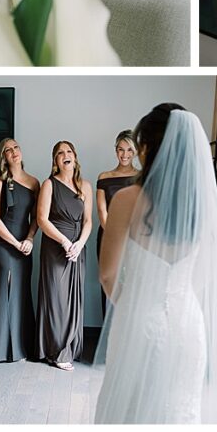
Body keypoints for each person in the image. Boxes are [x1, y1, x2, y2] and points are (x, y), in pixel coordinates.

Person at [95, 104, 217, 423]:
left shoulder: (127, 200)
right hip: (189, 324)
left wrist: (135, 304)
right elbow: (206, 272)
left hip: (140, 323)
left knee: (132, 411)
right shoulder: (201, 205)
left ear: (145, 148)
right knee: (179, 411)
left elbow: (107, 274)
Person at [36, 141, 92, 371]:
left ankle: (70, 347)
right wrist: (65, 242)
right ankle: (56, 351)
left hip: (78, 249)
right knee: (57, 299)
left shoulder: (85, 186)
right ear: (55, 161)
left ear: (75, 157)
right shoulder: (49, 184)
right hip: (56, 248)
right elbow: (41, 219)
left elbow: (88, 221)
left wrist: (79, 244)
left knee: (74, 300)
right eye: (60, 153)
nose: (65, 155)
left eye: (69, 151)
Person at [0, 138, 39, 363]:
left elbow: (36, 218)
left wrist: (29, 239)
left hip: (24, 246)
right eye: (8, 150)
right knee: (6, 290)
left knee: (21, 291)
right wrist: (15, 243)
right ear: (3, 157)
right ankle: (2, 351)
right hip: (2, 244)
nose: (14, 152)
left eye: (16, 147)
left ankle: (22, 346)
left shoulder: (35, 182)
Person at [95, 130, 139, 313]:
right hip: (108, 237)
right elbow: (101, 210)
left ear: (135, 151)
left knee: (133, 284)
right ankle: (109, 336)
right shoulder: (104, 177)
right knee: (109, 282)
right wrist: (115, 236)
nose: (125, 154)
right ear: (116, 151)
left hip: (135, 239)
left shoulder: (143, 177)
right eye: (121, 149)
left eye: (129, 149)